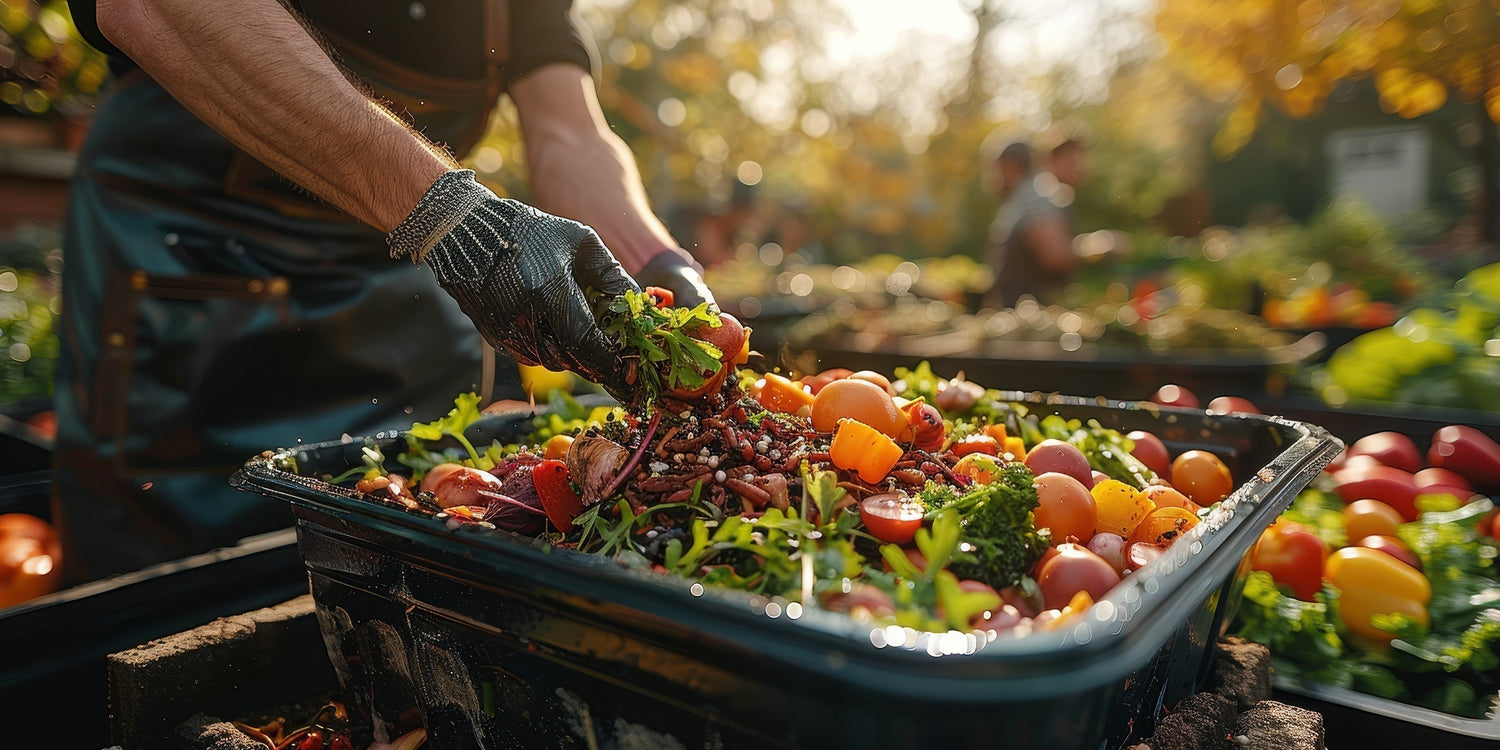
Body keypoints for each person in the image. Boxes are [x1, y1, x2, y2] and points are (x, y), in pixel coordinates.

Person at [55, 0, 715, 581]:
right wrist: (446, 214)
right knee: (177, 592)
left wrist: (654, 266)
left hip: (408, 283)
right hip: (194, 279)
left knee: (419, 551)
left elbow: (569, 132)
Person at [985, 136, 1087, 308]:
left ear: (1009, 165)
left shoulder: (1036, 197)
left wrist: (1095, 249)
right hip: (1019, 311)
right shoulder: (1020, 198)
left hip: (1036, 312)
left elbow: (1055, 256)